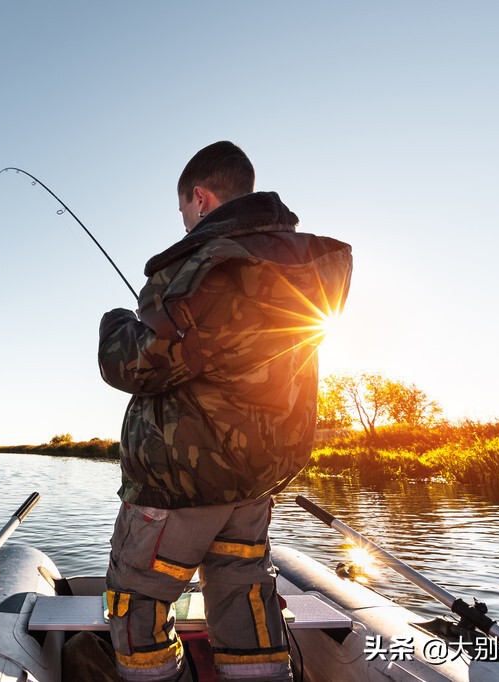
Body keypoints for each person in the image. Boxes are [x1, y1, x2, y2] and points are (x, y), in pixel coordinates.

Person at [98, 141, 353, 682]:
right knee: (243, 591)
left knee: (136, 599)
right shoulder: (301, 264)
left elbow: (137, 365)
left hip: (181, 483)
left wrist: (116, 322)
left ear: (201, 197)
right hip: (256, 479)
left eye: (185, 210)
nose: (186, 222)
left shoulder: (201, 265)